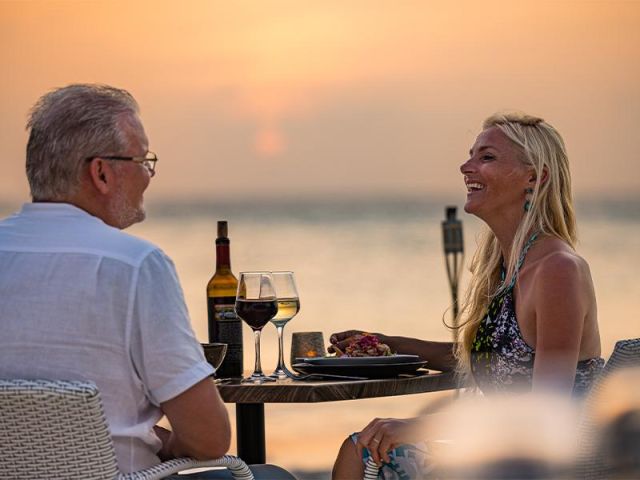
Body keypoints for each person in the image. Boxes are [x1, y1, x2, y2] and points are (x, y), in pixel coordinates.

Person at [330, 112, 604, 479]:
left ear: (534, 177)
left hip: (547, 462)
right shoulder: (508, 265)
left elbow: (546, 410)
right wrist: (389, 344)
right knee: (361, 446)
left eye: (486, 157)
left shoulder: (557, 269)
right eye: (471, 155)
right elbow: (499, 362)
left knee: (370, 451)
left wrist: (422, 427)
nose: (465, 166)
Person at [0, 84, 230, 474]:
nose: (149, 175)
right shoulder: (134, 265)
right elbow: (209, 438)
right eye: (143, 160)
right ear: (101, 173)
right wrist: (165, 441)